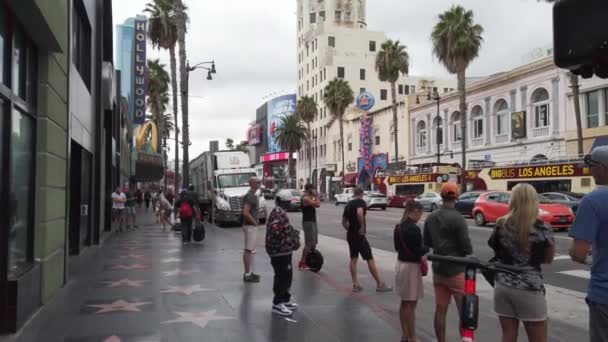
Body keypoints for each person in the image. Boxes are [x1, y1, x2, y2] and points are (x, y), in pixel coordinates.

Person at [489, 183, 555, 342]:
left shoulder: (501, 225)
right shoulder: (542, 228)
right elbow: (548, 259)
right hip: (529, 288)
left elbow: (496, 250)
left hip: (503, 285)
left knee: (508, 334)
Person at [423, 182, 473, 342]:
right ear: (456, 197)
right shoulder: (458, 218)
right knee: (464, 312)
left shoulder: (431, 217)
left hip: (438, 269)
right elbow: (466, 247)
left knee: (440, 309)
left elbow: (427, 242)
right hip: (456, 270)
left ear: (442, 197)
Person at [569, 146, 608, 342]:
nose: (590, 172)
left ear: (602, 168)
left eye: (592, 167)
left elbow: (578, 253)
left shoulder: (593, 201)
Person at [342, 187, 392, 292]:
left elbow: (343, 222)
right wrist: (361, 227)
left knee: (353, 259)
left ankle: (355, 284)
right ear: (362, 194)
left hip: (350, 235)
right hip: (359, 236)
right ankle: (379, 284)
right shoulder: (360, 202)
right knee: (370, 258)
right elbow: (359, 213)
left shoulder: (348, 204)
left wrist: (350, 229)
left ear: (354, 193)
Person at [394, 200, 428, 342]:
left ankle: (405, 334)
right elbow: (419, 250)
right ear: (415, 211)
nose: (421, 216)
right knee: (410, 305)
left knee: (404, 303)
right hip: (411, 268)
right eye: (420, 213)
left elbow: (397, 247)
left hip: (401, 265)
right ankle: (413, 336)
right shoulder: (413, 229)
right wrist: (426, 249)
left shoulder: (399, 227)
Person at [266, 189, 299, 316]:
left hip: (284, 250)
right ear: (280, 202)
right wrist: (291, 238)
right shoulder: (277, 213)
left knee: (287, 275)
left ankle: (285, 298)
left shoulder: (281, 212)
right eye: (287, 202)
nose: (289, 204)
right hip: (278, 251)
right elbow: (276, 232)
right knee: (282, 276)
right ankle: (277, 302)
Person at [242, 177, 261, 283]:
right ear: (252, 184)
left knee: (249, 250)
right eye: (257, 182)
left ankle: (249, 272)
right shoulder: (250, 196)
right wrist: (254, 222)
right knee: (248, 250)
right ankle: (247, 274)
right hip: (250, 226)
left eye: (259, 182)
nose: (259, 184)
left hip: (250, 226)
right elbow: (245, 212)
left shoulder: (253, 195)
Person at [299, 183, 321, 270]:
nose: (314, 191)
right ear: (309, 190)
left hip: (312, 221)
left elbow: (316, 203)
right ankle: (302, 262)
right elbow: (318, 204)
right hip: (308, 222)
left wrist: (314, 196)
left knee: (314, 243)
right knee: (309, 243)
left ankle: (310, 259)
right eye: (313, 189)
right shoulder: (305, 198)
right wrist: (317, 195)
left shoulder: (309, 197)